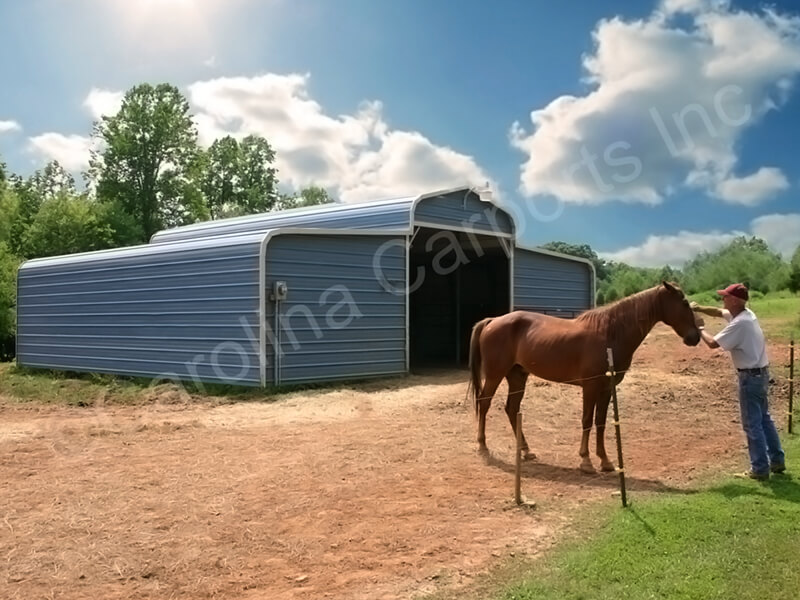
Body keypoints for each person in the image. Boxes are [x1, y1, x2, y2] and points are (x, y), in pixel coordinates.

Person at [692, 283, 786, 481]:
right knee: (764, 419)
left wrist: (700, 327)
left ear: (734, 300)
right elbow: (719, 312)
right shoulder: (746, 315)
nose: (723, 300)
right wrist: (699, 307)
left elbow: (712, 344)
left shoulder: (740, 324)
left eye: (726, 297)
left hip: (749, 377)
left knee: (752, 425)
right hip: (760, 374)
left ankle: (760, 469)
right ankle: (777, 460)